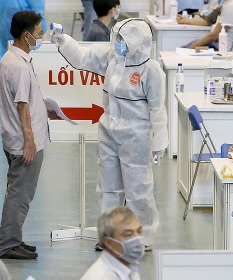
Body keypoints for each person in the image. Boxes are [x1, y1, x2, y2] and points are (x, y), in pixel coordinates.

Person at [54, 18, 168, 250]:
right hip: (108, 129)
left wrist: (159, 143)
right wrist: (63, 40)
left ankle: (142, 237)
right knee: (108, 186)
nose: (118, 43)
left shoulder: (151, 70)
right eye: (117, 38)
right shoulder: (111, 57)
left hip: (135, 134)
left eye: (123, 40)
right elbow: (83, 57)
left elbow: (157, 109)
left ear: (137, 42)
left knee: (138, 189)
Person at [0, 11, 52, 260]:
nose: (42, 37)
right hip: (23, 144)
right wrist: (30, 142)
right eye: (39, 33)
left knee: (18, 192)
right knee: (19, 195)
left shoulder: (14, 59)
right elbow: (21, 105)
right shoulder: (18, 66)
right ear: (26, 35)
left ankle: (14, 238)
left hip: (16, 138)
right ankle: (7, 244)